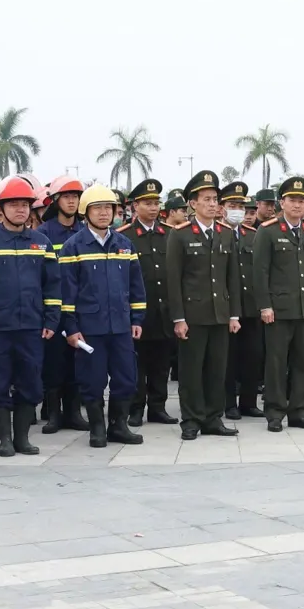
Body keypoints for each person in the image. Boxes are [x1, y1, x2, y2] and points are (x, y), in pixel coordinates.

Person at [0, 174, 57, 457]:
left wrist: (51, 319)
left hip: (32, 327)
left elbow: (52, 285)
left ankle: (22, 439)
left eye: (25, 205)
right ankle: (4, 440)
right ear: (1, 208)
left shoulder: (42, 243)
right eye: (14, 204)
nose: (21, 209)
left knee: (30, 382)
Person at [58, 185, 147, 447]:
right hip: (89, 329)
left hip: (120, 327)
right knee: (92, 380)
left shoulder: (124, 245)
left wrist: (137, 319)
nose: (104, 213)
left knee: (126, 378)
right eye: (97, 208)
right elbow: (66, 293)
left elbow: (136, 286)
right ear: (86, 212)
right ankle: (97, 428)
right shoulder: (73, 247)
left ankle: (118, 425)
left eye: (109, 207)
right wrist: (71, 328)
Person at [165, 170, 241, 440]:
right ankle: (191, 419)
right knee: (191, 371)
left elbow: (233, 278)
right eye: (206, 199)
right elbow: (173, 279)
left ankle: (213, 418)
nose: (212, 204)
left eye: (215, 199)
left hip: (220, 313)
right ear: (193, 203)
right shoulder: (180, 235)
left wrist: (234, 314)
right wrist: (178, 318)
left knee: (216, 370)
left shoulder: (225, 233)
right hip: (193, 315)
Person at [252, 176, 304, 432]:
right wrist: (265, 305)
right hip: (279, 310)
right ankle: (275, 412)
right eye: (292, 200)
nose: (297, 205)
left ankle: (298, 411)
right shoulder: (268, 230)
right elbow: (260, 271)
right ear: (282, 202)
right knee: (276, 363)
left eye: (301, 201)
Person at [119, 178, 179, 430]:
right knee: (137, 363)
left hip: (164, 310)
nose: (153, 208)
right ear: (135, 206)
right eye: (147, 203)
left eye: (156, 203)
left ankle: (158, 407)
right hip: (138, 313)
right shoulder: (124, 236)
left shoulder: (170, 234)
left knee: (161, 363)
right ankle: (136, 408)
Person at [37, 175, 88, 431]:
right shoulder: (43, 234)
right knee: (54, 362)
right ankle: (54, 414)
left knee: (77, 361)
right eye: (66, 197)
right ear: (56, 201)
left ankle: (74, 413)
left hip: (80, 308)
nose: (72, 201)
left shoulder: (85, 231)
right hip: (53, 308)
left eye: (76, 197)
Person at [220, 181, 266, 420]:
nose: (237, 210)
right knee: (228, 359)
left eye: (240, 206)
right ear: (222, 208)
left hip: (250, 306)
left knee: (253, 356)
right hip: (225, 306)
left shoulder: (253, 235)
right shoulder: (217, 233)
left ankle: (249, 402)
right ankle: (228, 403)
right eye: (232, 206)